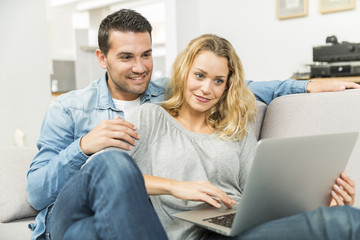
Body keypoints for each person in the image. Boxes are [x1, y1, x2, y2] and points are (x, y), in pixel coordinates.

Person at [26, 9, 359, 240]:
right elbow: (47, 190)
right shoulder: (87, 110)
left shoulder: (219, 119)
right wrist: (86, 146)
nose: (140, 67)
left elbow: (257, 194)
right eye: (126, 57)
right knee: (105, 180)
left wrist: (306, 85)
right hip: (87, 210)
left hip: (223, 229)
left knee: (344, 220)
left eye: (146, 55)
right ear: (103, 59)